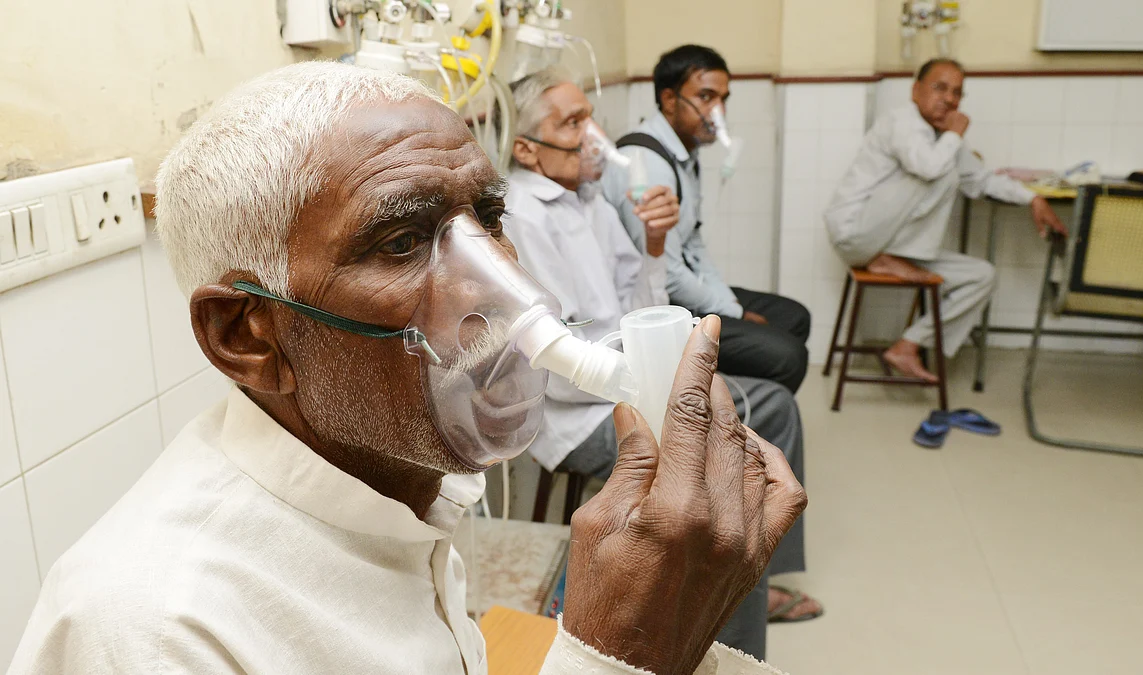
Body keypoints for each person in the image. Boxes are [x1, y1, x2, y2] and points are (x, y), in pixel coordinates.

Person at [8, 62, 807, 675]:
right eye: (400, 242)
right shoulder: (155, 632)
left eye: (489, 219)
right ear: (246, 334)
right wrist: (615, 651)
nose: (506, 290)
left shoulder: (397, 486)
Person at [502, 69, 823, 656]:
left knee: (761, 411)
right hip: (580, 412)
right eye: (572, 123)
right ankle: (735, 634)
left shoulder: (589, 200)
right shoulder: (524, 216)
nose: (593, 133)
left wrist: (653, 249)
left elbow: (645, 308)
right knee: (741, 431)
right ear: (527, 147)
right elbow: (559, 369)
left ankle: (754, 579)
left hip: (627, 381)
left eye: (590, 116)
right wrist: (667, 385)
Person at [824, 58, 1067, 382]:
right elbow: (929, 168)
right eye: (940, 88)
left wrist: (1033, 198)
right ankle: (885, 259)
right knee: (942, 170)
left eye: (957, 93)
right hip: (856, 236)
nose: (950, 100)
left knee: (981, 275)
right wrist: (955, 135)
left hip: (893, 243)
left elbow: (979, 180)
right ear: (915, 90)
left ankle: (908, 345)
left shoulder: (944, 140)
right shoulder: (901, 122)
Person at [602, 45, 812, 394]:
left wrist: (729, 303)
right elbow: (667, 276)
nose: (718, 111)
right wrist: (735, 311)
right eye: (706, 97)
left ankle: (748, 410)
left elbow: (693, 243)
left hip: (680, 289)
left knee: (794, 317)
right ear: (669, 100)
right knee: (787, 356)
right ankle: (732, 424)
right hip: (655, 308)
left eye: (723, 98)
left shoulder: (683, 152)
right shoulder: (647, 164)